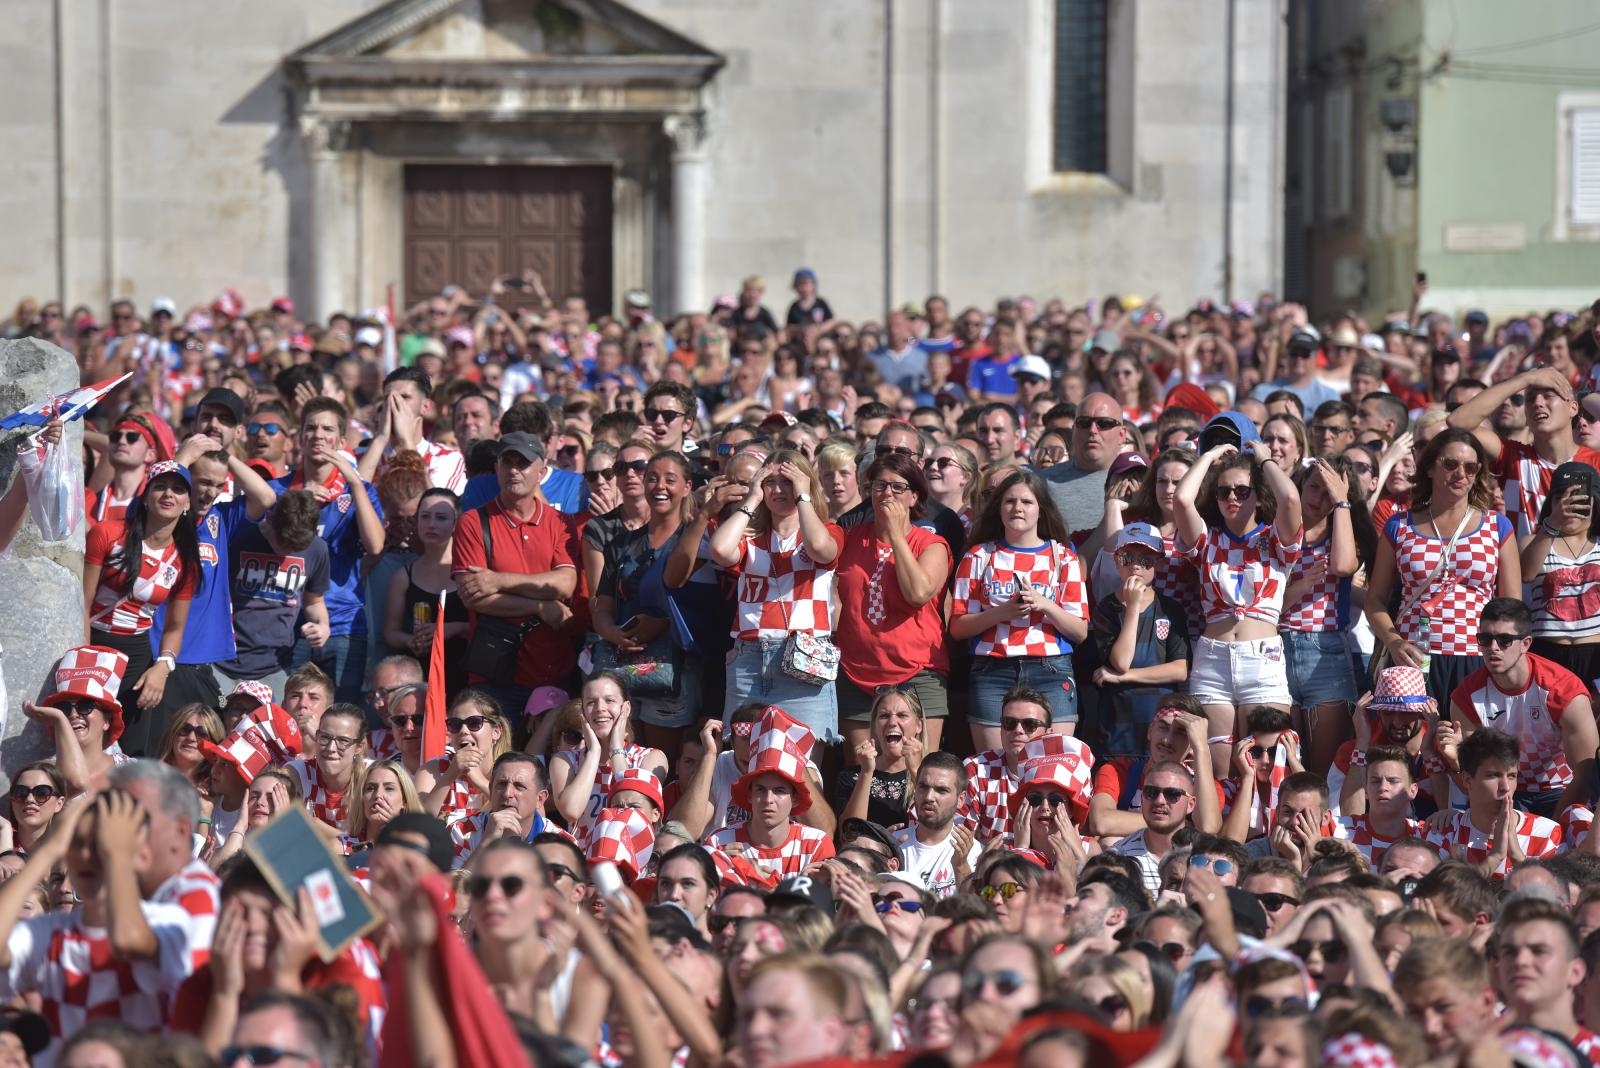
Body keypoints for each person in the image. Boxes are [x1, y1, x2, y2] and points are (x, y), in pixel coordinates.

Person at [1173, 417, 1303, 770]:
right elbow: (1182, 499)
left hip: (1262, 660)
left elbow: (1290, 497)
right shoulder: (1207, 540)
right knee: (1217, 769)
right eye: (1223, 491)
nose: (1232, 497)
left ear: (1259, 497)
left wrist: (1264, 459)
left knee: (1267, 768)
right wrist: (1211, 454)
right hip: (1213, 659)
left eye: (1242, 491)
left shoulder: (1275, 540)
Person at [1366, 429, 1520, 703]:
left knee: (1472, 743)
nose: (1461, 473)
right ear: (1429, 469)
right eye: (1450, 464)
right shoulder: (1399, 525)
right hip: (1414, 655)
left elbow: (1511, 606)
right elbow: (1375, 600)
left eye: (1471, 467)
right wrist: (1393, 641)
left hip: (1477, 655)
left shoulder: (1498, 526)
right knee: (1411, 744)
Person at [709, 449, 843, 741]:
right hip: (750, 661)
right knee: (742, 762)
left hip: (804, 659)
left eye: (789, 482)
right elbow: (719, 550)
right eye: (771, 482)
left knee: (804, 767)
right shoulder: (750, 539)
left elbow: (821, 548)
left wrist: (804, 496)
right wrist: (752, 498)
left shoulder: (829, 531)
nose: (780, 490)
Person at [950, 470, 1088, 750]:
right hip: (992, 669)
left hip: (1051, 668)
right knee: (994, 764)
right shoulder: (978, 556)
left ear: (1041, 510)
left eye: (1027, 502)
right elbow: (958, 627)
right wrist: (1002, 613)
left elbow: (1080, 631)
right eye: (1009, 501)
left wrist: (1045, 604)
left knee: (1053, 764)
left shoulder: (1063, 557)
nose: (1017, 508)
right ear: (999, 508)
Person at [451, 432, 579, 717]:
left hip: (552, 667)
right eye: (506, 462)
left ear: (541, 471)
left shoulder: (559, 522)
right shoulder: (473, 521)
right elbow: (474, 597)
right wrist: (540, 605)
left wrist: (498, 581)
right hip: (494, 674)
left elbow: (565, 584)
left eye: (522, 463)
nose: (513, 470)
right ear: (496, 467)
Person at [833, 450, 953, 754]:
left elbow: (917, 593)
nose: (887, 493)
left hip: (917, 672)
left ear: (914, 497)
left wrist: (896, 535)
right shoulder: (848, 538)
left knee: (920, 771)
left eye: (898, 487)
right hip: (855, 674)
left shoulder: (931, 544)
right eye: (879, 486)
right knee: (863, 772)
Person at [82, 460, 202, 754]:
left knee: (130, 751)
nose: (168, 494)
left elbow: (174, 628)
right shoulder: (107, 534)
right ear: (146, 496)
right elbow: (81, 604)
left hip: (136, 656)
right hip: (92, 641)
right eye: (160, 486)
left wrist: (162, 667)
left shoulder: (185, 561)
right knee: (83, 737)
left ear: (187, 502)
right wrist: (85, 657)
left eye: (177, 489)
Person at [270, 398, 386, 703]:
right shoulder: (278, 490)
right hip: (287, 625)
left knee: (342, 718)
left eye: (327, 429)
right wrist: (295, 502)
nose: (318, 435)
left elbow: (375, 545)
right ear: (300, 438)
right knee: (289, 719)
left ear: (341, 441)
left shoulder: (358, 490)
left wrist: (355, 482)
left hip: (344, 623)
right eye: (311, 428)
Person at [590, 449, 700, 756]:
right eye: (652, 478)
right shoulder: (621, 543)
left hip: (671, 673)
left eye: (670, 479)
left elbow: (700, 605)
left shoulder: (693, 539)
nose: (659, 486)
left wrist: (661, 625)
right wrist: (613, 633)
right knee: (621, 761)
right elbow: (602, 605)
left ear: (687, 486)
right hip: (622, 670)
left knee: (660, 766)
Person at [1448, 597, 1596, 818]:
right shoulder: (1466, 696)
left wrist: (1551, 827)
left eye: (1504, 640)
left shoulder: (1564, 690)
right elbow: (1474, 778)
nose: (1493, 648)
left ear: (1526, 643)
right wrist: (1453, 761)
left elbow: (1586, 774)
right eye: (1485, 639)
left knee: (1575, 830)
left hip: (1559, 790)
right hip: (1504, 791)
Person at [1280, 455, 1371, 773]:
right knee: (1283, 768)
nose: (1319, 499)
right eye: (1313, 488)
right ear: (1298, 488)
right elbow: (1260, 606)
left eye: (1328, 493)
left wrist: (1342, 503)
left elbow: (1344, 566)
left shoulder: (1342, 535)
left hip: (1326, 653)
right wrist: (1302, 586)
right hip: (1275, 649)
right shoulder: (1275, 534)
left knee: (1322, 770)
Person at [1448, 364, 1600, 540]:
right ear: (1526, 416)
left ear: (1573, 408)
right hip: (1523, 567)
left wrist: (1584, 396)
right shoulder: (1511, 457)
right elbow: (1457, 421)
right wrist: (1525, 379)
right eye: (1530, 399)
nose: (1538, 403)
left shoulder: (1596, 463)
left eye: (1549, 396)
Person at [214, 488, 331, 697]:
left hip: (275, 666)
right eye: (282, 542)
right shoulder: (240, 538)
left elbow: (314, 601)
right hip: (222, 661)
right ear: (270, 519)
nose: (287, 550)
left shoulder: (318, 549)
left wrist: (323, 626)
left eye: (295, 548)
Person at [1090, 523, 1191, 758]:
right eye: (1127, 557)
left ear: (1159, 563)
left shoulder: (1170, 609)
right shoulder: (1107, 608)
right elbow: (1121, 661)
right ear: (1116, 560)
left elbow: (1180, 669)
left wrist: (1125, 677)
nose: (1136, 565)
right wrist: (1133, 606)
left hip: (1160, 723)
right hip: (1118, 725)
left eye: (1146, 559)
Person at [1425, 727, 1561, 879]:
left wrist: (1516, 855)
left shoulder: (1546, 832)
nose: (1505, 787)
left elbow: (1551, 898)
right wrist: (1495, 857)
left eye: (1511, 776)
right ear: (1467, 780)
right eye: (1493, 775)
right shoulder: (1443, 832)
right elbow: (1444, 898)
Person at [382, 486, 468, 697]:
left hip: (464, 674)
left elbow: (485, 628)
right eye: (425, 516)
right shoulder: (403, 576)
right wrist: (408, 641)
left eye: (441, 518)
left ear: (456, 523)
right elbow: (390, 633)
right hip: (420, 679)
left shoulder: (468, 571)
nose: (431, 524)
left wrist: (453, 629)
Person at [1521, 461, 1600, 686]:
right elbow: (1526, 573)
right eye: (1561, 500)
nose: (1570, 508)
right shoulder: (1533, 541)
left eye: (1581, 501)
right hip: (1547, 652)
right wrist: (1552, 523)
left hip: (1595, 654)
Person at [837, 688, 929, 828]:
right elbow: (848, 833)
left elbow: (939, 824)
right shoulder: (851, 776)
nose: (892, 722)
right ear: (874, 726)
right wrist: (866, 772)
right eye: (884, 716)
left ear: (918, 726)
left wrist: (915, 771)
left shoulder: (936, 773)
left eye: (902, 715)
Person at [1039, 392, 1127, 537]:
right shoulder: (1042, 482)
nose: (1092, 430)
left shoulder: (1138, 482)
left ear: (1122, 435)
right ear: (1073, 431)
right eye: (1084, 423)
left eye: (1104, 423)